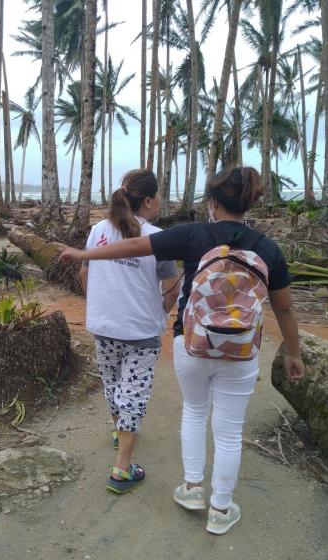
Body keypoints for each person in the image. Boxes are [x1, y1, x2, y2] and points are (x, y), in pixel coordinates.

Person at [62, 166, 305, 533]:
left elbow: (131, 245)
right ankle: (221, 510)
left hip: (191, 344)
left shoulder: (192, 234)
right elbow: (284, 308)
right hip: (240, 352)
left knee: (194, 411)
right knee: (228, 430)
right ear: (250, 202)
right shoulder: (267, 248)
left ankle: (192, 489)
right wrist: (294, 353)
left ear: (212, 202)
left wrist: (82, 255)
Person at [79, 169, 181, 494]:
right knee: (133, 391)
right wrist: (160, 311)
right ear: (149, 201)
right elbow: (171, 290)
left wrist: (98, 302)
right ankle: (122, 468)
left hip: (104, 325)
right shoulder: (158, 237)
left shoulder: (98, 230)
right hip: (140, 331)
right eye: (159, 195)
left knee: (113, 383)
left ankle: (119, 429)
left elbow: (85, 272)